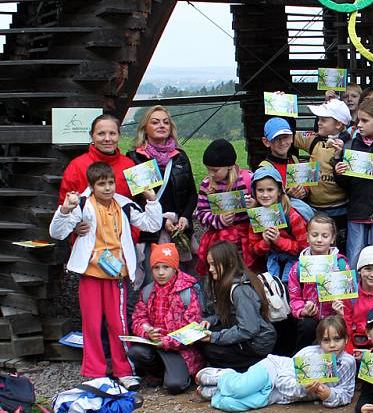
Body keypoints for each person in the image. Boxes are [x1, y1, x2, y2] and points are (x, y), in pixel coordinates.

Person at [49, 161, 162, 389]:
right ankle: (95, 372)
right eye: (102, 184)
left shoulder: (125, 205)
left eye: (110, 183)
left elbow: (152, 224)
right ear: (92, 185)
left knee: (118, 323)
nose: (108, 188)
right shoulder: (81, 204)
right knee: (91, 324)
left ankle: (123, 370)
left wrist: (152, 199)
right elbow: (57, 232)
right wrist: (65, 209)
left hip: (116, 276)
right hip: (90, 274)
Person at [195, 316, 356, 412]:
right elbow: (282, 379)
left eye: (337, 339)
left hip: (280, 396)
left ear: (346, 340)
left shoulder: (348, 363)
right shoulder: (310, 354)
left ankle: (214, 391)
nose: (332, 345)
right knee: (240, 388)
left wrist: (328, 394)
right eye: (326, 340)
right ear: (319, 342)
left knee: (228, 404)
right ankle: (222, 376)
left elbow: (346, 393)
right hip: (273, 371)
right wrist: (302, 387)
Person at [127, 105, 198, 289]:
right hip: (152, 232)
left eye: (166, 122)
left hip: (179, 229)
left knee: (185, 278)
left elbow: (191, 193)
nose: (161, 125)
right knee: (155, 280)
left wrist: (185, 217)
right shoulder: (136, 158)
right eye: (155, 122)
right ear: (145, 128)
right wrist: (161, 219)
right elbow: (138, 200)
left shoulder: (180, 157)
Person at [129, 243, 204, 394]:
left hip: (179, 349)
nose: (161, 273)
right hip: (155, 344)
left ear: (175, 268)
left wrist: (166, 342)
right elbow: (138, 318)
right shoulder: (148, 291)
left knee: (175, 386)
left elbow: (193, 330)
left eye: (166, 267)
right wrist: (147, 331)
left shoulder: (187, 292)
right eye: (156, 268)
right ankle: (158, 373)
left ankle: (179, 374)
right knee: (135, 352)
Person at [332, 97, 373, 266]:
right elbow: (346, 184)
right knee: (354, 258)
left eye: (365, 120)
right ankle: (355, 292)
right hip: (356, 212)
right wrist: (339, 171)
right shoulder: (352, 145)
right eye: (358, 119)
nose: (359, 124)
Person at [197, 241, 277, 371]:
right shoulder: (224, 283)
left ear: (229, 262)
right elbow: (227, 313)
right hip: (245, 334)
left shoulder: (240, 290)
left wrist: (214, 337)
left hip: (256, 344)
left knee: (211, 350)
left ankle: (258, 365)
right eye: (209, 264)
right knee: (203, 341)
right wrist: (209, 321)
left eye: (213, 264)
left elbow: (249, 329)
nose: (210, 269)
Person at [288, 214, 349, 350]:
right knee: (306, 327)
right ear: (308, 237)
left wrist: (341, 306)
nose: (319, 240)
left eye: (325, 236)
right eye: (315, 235)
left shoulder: (340, 264)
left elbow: (349, 293)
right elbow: (294, 297)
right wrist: (303, 310)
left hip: (334, 316)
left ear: (332, 238)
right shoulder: (298, 267)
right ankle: (303, 360)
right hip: (311, 318)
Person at [295, 98, 351, 246]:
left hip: (341, 211)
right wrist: (279, 107)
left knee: (339, 249)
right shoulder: (312, 140)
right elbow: (287, 136)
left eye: (324, 120)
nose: (319, 122)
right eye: (319, 119)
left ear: (339, 124)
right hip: (315, 210)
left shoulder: (351, 145)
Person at [194, 139, 252, 277]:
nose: (211, 174)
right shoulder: (207, 185)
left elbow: (264, 206)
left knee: (246, 274)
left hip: (245, 241)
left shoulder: (247, 180)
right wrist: (219, 220)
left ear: (230, 166)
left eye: (215, 170)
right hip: (220, 242)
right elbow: (201, 213)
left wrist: (253, 205)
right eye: (208, 169)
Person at [245, 165, 308, 281]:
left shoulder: (292, 216)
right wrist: (265, 242)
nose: (265, 195)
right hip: (273, 261)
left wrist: (279, 241)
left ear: (279, 190)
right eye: (260, 190)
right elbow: (253, 249)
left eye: (270, 190)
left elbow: (305, 247)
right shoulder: (257, 215)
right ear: (254, 192)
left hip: (296, 262)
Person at [60, 114, 136, 205]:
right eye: (101, 134)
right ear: (92, 136)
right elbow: (64, 204)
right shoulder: (77, 166)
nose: (107, 139)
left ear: (119, 135)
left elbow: (137, 201)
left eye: (112, 133)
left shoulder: (129, 165)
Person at [259, 116, 308, 200]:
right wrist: (287, 195)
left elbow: (305, 184)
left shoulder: (294, 160)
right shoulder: (265, 168)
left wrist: (303, 191)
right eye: (276, 139)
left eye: (285, 137)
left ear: (292, 137)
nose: (282, 142)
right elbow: (265, 198)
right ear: (266, 142)